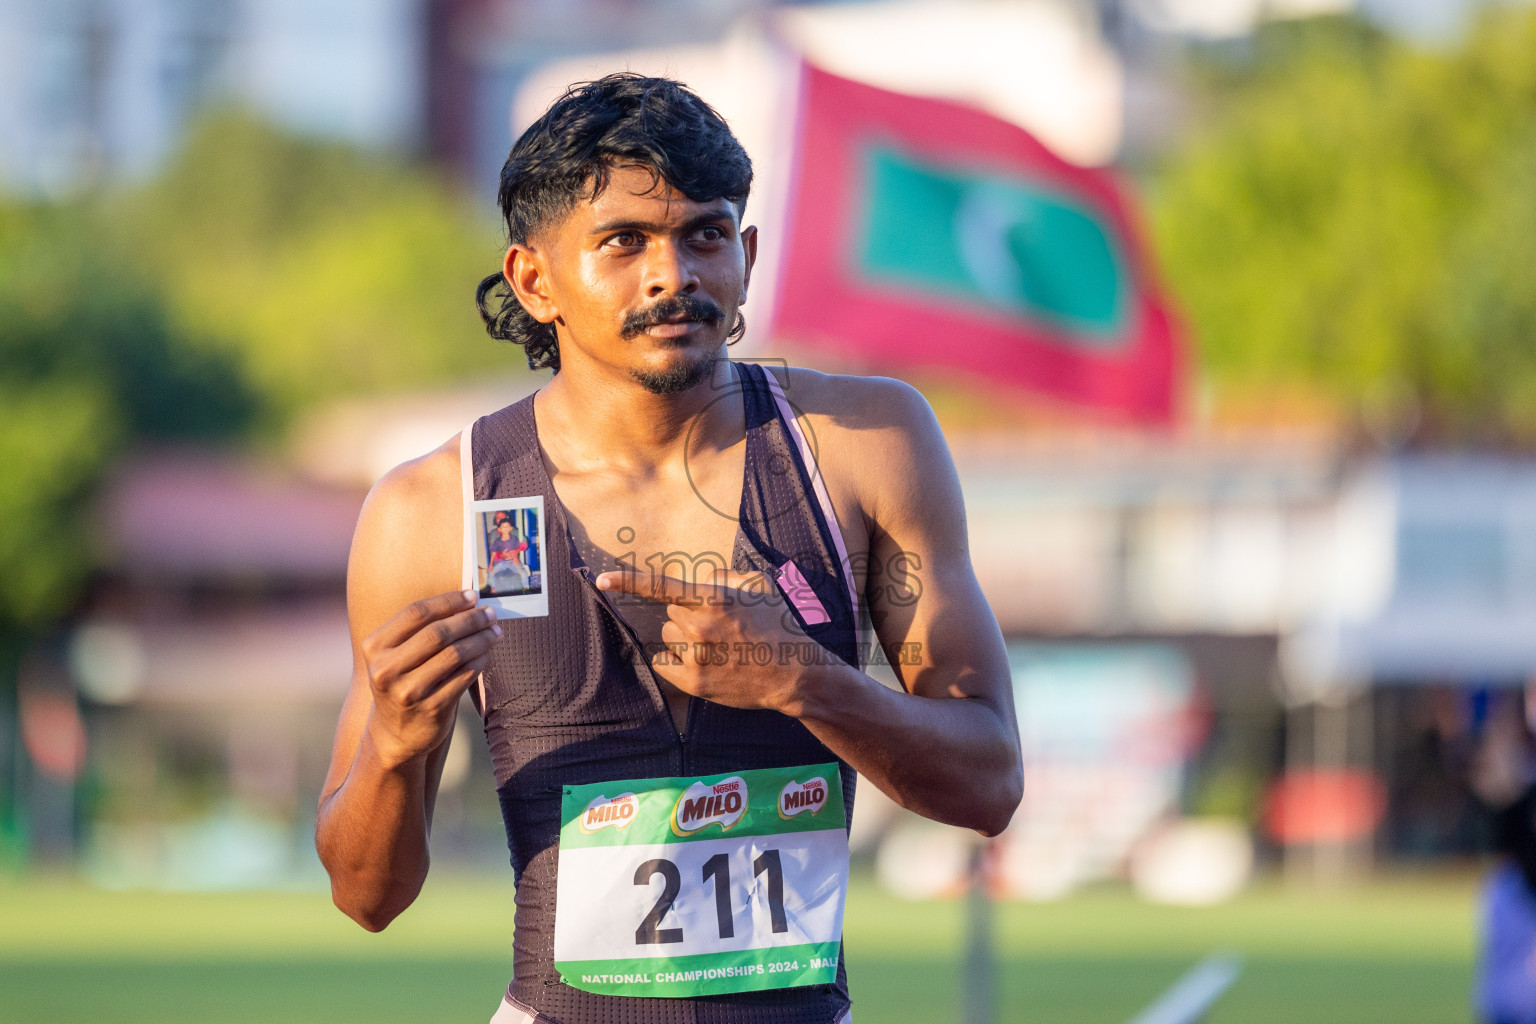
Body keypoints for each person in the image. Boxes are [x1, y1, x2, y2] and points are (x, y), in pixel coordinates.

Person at [315, 73, 1023, 1024]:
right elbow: (366, 896)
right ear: (534, 279)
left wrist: (803, 680)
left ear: (748, 254)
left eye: (706, 234)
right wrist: (398, 747)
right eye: (624, 243)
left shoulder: (866, 445)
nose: (673, 274)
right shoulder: (433, 507)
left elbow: (991, 783)